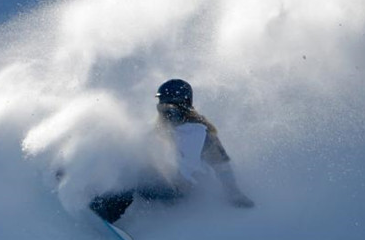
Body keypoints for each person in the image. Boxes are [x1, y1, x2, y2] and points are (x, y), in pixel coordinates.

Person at [89, 79, 255, 224]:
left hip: (176, 188)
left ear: (183, 106)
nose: (165, 113)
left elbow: (222, 165)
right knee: (126, 158)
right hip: (160, 179)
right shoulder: (158, 129)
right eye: (161, 107)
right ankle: (87, 183)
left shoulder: (201, 134)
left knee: (135, 174)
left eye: (169, 107)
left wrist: (234, 193)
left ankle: (107, 212)